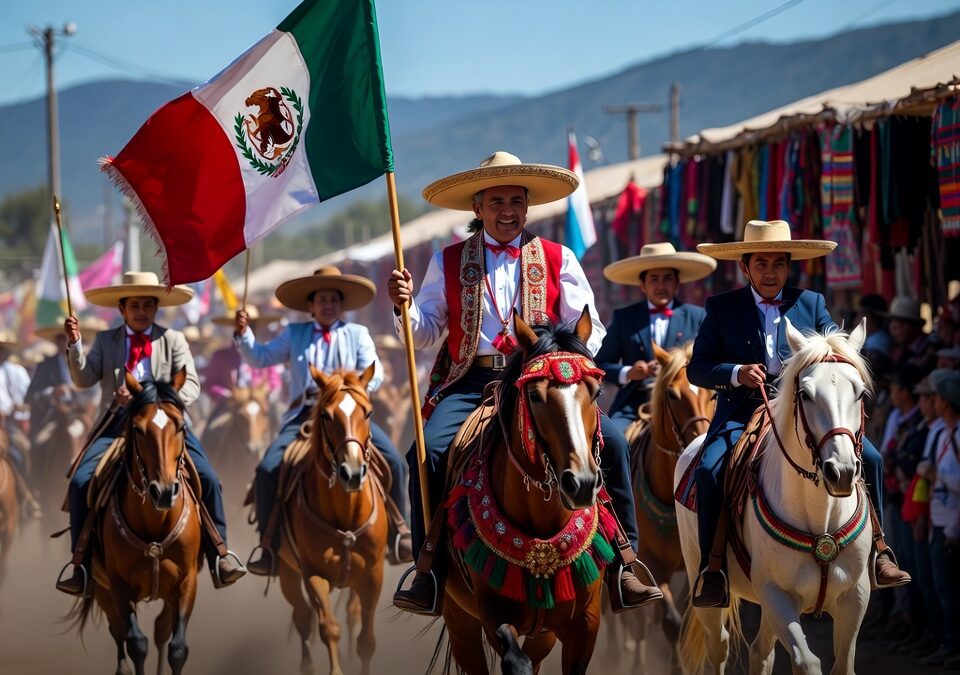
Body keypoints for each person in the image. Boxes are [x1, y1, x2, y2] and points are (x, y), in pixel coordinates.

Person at [388, 151, 661, 615]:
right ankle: (428, 569)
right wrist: (404, 307)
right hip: (472, 380)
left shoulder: (560, 258)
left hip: (544, 382)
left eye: (516, 200)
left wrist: (571, 371)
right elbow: (426, 331)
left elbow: (584, 328)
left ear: (528, 207)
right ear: (478, 207)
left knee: (612, 442)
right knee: (426, 451)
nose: (507, 210)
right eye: (496, 201)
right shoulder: (447, 261)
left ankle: (625, 564)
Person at [687, 219, 910, 608]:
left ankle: (880, 550)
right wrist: (737, 373)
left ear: (789, 266)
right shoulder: (722, 308)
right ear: (745, 266)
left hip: (806, 412)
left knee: (870, 457)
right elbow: (698, 367)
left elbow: (836, 350)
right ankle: (714, 568)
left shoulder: (812, 303)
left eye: (778, 264)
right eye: (761, 264)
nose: (770, 272)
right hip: (743, 411)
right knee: (709, 470)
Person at [56, 272, 245, 596]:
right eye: (135, 305)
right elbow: (84, 379)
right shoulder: (105, 341)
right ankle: (81, 565)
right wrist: (75, 346)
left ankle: (220, 554)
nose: (142, 311)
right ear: (122, 309)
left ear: (156, 309)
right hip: (116, 426)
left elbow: (193, 386)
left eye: (148, 305)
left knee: (210, 479)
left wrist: (157, 402)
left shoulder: (174, 340)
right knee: (80, 481)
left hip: (165, 428)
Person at [237, 266, 412, 575]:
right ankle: (267, 546)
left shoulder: (358, 334)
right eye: (322, 299)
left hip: (348, 414)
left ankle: (401, 533)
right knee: (267, 469)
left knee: (396, 462)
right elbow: (260, 358)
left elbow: (376, 373)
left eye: (334, 299)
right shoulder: (294, 334)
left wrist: (351, 395)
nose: (328, 304)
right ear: (310, 305)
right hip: (305, 414)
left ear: (341, 304)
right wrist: (244, 336)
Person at [597, 242, 716, 434]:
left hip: (685, 403)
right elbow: (600, 365)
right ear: (642, 285)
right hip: (635, 405)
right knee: (612, 441)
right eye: (654, 279)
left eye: (667, 278)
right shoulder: (624, 318)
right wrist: (629, 372)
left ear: (677, 282)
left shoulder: (697, 316)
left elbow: (711, 360)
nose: (661, 285)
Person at [0, 330, 40, 516]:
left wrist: (19, 408)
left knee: (22, 449)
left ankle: (26, 495)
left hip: (9, 425)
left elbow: (28, 398)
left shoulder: (17, 371)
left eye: (2, 349)